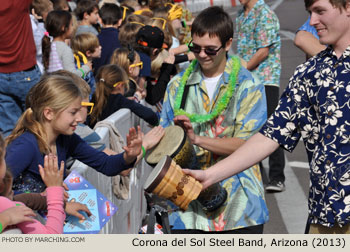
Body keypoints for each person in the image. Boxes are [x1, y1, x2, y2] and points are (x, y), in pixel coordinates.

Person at [184, 0, 350, 234]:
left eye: (320, 11)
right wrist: (209, 176)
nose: (312, 21)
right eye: (309, 12)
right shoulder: (309, 73)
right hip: (324, 217)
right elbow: (269, 136)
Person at [160, 6, 268, 234]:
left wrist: (196, 139)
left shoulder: (248, 84)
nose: (201, 55)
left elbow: (249, 144)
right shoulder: (177, 85)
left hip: (239, 206)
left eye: (210, 50)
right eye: (195, 48)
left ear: (228, 44)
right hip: (188, 209)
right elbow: (164, 140)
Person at [6, 74, 142, 194]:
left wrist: (128, 156)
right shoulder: (26, 146)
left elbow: (105, 164)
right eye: (73, 112)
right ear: (49, 113)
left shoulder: (66, 139)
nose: (79, 118)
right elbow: (3, 189)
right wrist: (42, 200)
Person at [236, 0, 285, 193]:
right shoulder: (241, 14)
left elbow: (263, 51)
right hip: (247, 80)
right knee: (248, 126)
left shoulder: (265, 14)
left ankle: (277, 176)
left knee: (272, 127)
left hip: (265, 79)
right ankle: (252, 171)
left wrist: (243, 69)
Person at [1, 133, 66, 234]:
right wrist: (55, 190)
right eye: (3, 158)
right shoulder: (5, 205)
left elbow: (24, 199)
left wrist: (64, 204)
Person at [0, 0, 42, 137]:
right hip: (25, 72)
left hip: (1, 76)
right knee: (40, 124)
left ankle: (13, 158)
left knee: (10, 132)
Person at [88, 64, 159, 127]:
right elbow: (150, 115)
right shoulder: (119, 100)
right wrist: (156, 122)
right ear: (120, 85)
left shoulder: (95, 97)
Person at [42, 10, 92, 76]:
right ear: (63, 28)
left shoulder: (49, 45)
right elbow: (72, 75)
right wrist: (86, 68)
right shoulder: (65, 50)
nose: (73, 28)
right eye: (71, 25)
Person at [93, 3, 123, 74]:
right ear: (120, 21)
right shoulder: (122, 40)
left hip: (98, 78)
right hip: (117, 77)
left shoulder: (94, 40)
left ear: (100, 20)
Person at [71, 32, 102, 98]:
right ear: (88, 53)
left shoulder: (77, 65)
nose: (100, 47)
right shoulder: (84, 69)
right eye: (97, 46)